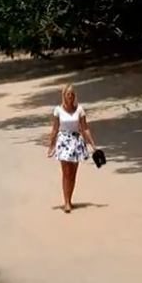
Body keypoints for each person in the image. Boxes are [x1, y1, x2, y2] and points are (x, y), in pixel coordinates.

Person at [46, 83, 97, 213]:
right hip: (63, 141)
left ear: (74, 96)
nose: (70, 97)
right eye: (68, 94)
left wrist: (93, 145)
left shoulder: (80, 110)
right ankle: (66, 202)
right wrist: (51, 145)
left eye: (72, 94)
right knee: (65, 172)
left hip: (76, 141)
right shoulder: (58, 110)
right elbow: (55, 129)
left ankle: (70, 198)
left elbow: (85, 128)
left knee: (73, 174)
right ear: (64, 96)